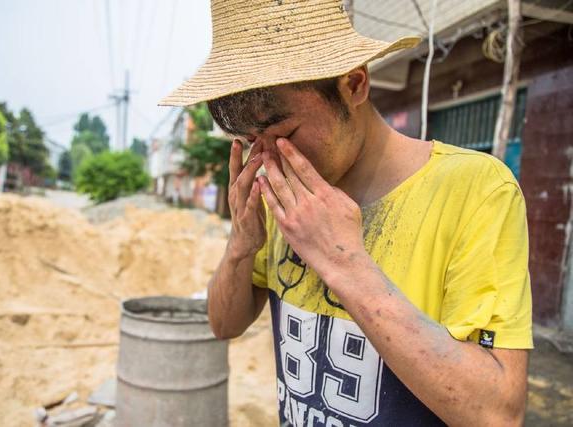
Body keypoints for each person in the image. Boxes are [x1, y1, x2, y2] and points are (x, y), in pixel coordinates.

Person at [161, 1, 532, 426]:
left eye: (283, 135)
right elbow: (223, 325)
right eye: (251, 141)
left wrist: (343, 261)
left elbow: (498, 414)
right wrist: (240, 247)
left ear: (354, 85)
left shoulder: (476, 190)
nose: (267, 159)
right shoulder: (280, 198)